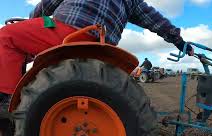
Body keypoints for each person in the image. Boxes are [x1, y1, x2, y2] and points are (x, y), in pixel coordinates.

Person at [0, 0, 194, 110]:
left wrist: (31, 22)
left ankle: (7, 99)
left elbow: (45, 7)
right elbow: (155, 20)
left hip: (65, 31)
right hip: (102, 44)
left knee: (6, 36)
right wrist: (179, 41)